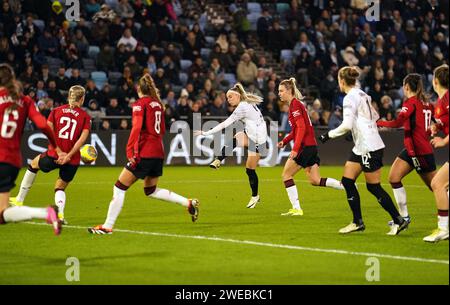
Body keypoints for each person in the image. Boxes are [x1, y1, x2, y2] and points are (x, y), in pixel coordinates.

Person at [89, 74, 199, 234]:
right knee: (150, 190)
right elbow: (161, 130)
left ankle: (107, 226)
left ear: (138, 88)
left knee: (119, 187)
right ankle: (188, 203)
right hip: (158, 152)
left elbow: (136, 127)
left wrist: (130, 149)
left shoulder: (140, 104)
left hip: (145, 152)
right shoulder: (158, 104)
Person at [319, 67, 408, 235]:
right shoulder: (362, 94)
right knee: (347, 181)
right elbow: (374, 117)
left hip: (368, 146)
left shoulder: (349, 98)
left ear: (342, 81)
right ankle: (357, 222)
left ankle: (398, 220)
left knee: (373, 187)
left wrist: (328, 135)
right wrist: (355, 133)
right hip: (362, 145)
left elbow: (346, 124)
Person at [10, 85, 91, 225]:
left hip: (54, 155)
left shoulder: (56, 111)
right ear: (82, 99)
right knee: (60, 187)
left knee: (33, 165)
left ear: (69, 96)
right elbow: (82, 140)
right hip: (72, 160)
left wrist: (59, 152)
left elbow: (48, 130)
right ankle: (60, 215)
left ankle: (19, 199)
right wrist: (69, 155)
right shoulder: (85, 117)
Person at [0, 64, 62, 235]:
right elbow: (42, 124)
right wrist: (55, 145)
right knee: (2, 213)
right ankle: (44, 213)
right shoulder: (25, 100)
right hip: (11, 162)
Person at [277, 78, 344, 216]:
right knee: (315, 180)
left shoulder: (295, 105)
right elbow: (296, 129)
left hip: (305, 147)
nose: (279, 93)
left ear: (289, 91)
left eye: (281, 91)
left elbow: (301, 128)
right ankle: (345, 186)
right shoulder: (295, 105)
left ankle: (296, 208)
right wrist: (285, 140)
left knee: (286, 175)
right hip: (311, 146)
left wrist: (295, 149)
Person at [194, 83, 267, 208]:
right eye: (227, 98)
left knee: (250, 170)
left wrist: (206, 133)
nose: (228, 100)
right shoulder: (247, 102)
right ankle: (218, 160)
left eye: (230, 97)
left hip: (258, 141)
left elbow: (225, 124)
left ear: (238, 96)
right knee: (238, 137)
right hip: (253, 135)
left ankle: (255, 196)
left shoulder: (242, 107)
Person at [377, 74, 436, 228]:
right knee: (394, 177)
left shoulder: (410, 103)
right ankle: (404, 218)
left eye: (404, 86)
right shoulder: (426, 103)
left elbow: (397, 123)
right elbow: (430, 124)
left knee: (436, 186)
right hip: (411, 150)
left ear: (407, 87)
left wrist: (379, 122)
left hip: (420, 151)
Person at [424, 64, 449, 242]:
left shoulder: (447, 98)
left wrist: (444, 140)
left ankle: (443, 229)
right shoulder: (441, 102)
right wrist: (437, 126)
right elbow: (444, 120)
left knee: (437, 183)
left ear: (435, 81)